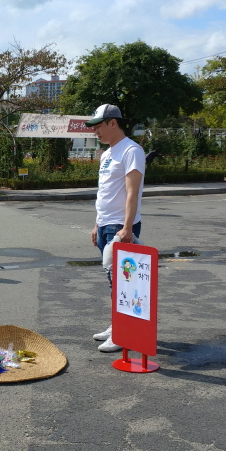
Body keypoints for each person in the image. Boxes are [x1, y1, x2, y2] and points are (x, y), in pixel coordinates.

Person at [85, 104, 146, 353]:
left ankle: (123, 332)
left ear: (113, 123)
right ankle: (117, 325)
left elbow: (132, 192)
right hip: (105, 225)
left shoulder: (132, 150)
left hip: (121, 227)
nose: (95, 131)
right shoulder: (108, 154)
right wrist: (96, 224)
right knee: (114, 282)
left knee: (123, 283)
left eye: (98, 126)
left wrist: (127, 227)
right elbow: (106, 192)